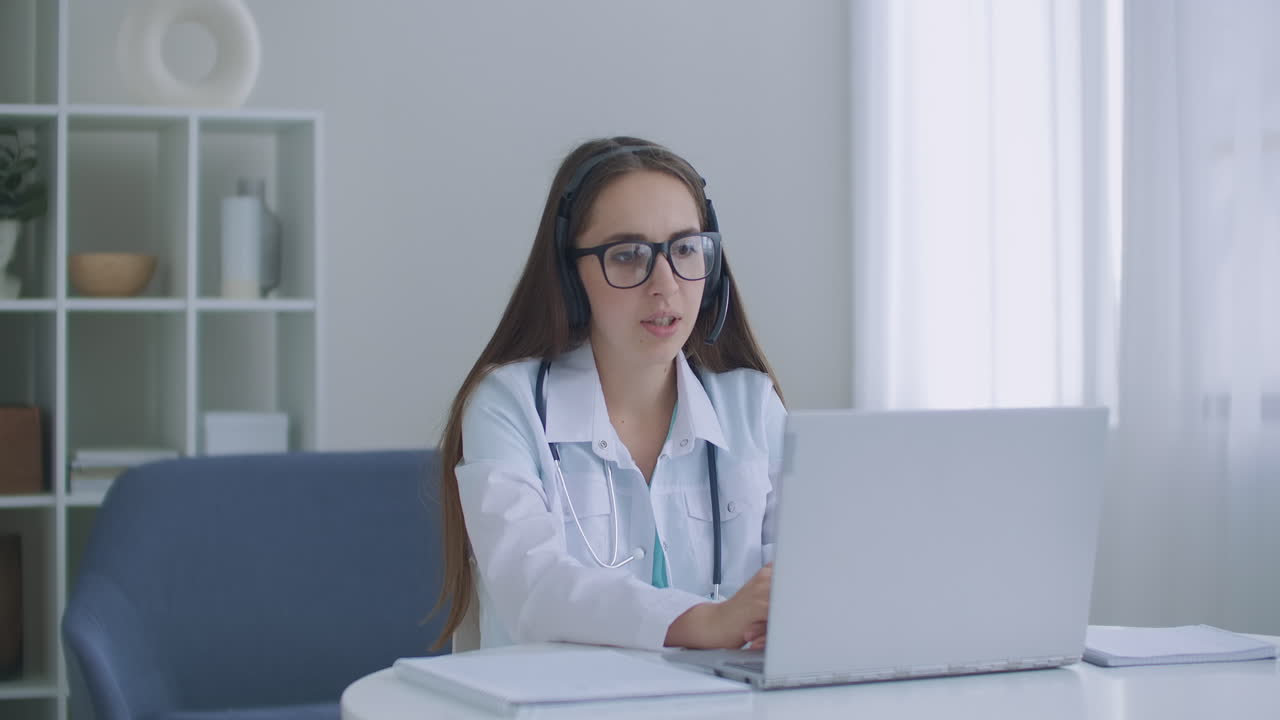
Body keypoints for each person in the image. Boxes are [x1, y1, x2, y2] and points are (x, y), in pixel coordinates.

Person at [434, 136, 786, 652]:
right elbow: (534, 590)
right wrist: (704, 622)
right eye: (627, 255)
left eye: (686, 249)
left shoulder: (754, 408)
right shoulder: (507, 404)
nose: (665, 284)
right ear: (569, 278)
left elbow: (806, 580)